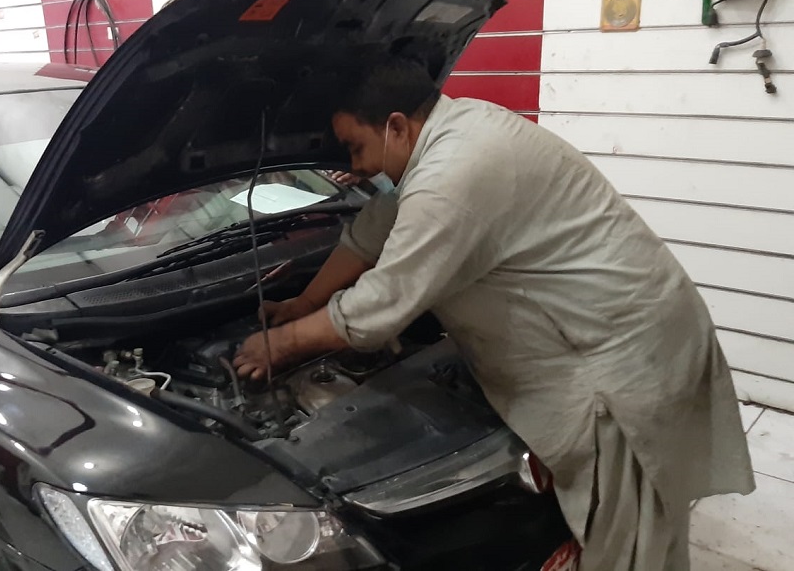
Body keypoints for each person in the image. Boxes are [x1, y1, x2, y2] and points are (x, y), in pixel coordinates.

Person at [232, 57, 755, 571]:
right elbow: (375, 226)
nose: (357, 165)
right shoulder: (457, 129)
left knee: (631, 539)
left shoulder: (454, 172)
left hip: (617, 366)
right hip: (596, 333)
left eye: (356, 147)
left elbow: (377, 308)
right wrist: (305, 303)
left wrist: (283, 343)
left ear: (396, 126)